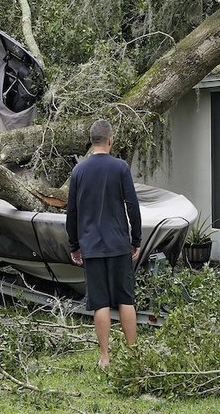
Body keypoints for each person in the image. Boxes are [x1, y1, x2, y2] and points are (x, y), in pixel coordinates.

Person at [65, 118, 142, 368]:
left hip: (92, 246)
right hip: (119, 243)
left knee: (100, 302)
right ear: (110, 140)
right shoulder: (120, 168)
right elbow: (133, 206)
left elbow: (72, 213)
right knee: (125, 300)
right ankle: (133, 355)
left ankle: (104, 357)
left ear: (92, 141)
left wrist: (74, 245)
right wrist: (136, 239)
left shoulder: (79, 171)